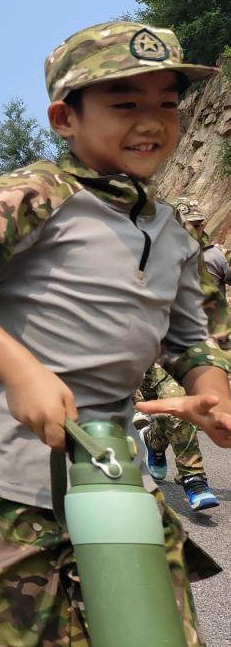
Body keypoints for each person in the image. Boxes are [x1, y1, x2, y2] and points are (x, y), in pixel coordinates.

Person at [0, 22, 231, 644]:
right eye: (125, 103)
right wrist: (22, 371)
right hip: (4, 470)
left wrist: (213, 393)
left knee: (150, 629)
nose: (151, 121)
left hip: (114, 466)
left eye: (166, 104)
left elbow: (196, 337)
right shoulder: (40, 193)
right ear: (64, 119)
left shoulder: (176, 230)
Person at [135, 198, 220, 511]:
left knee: (184, 408)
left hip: (195, 348)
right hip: (153, 348)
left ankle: (169, 456)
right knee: (175, 402)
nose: (198, 229)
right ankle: (186, 472)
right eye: (191, 223)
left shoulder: (212, 258)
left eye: (200, 223)